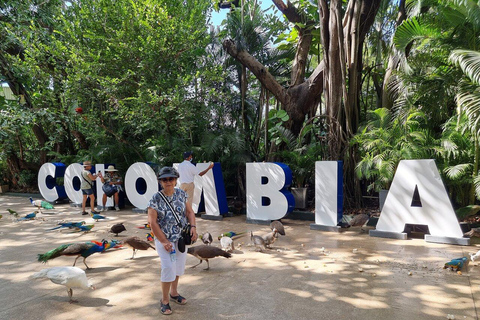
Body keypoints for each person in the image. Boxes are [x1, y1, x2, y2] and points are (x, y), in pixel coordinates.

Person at [147, 166, 198, 315]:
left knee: (178, 267)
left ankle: (174, 293)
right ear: (160, 182)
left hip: (180, 238)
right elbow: (153, 222)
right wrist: (163, 241)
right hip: (164, 239)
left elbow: (189, 212)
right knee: (168, 267)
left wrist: (193, 226)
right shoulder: (155, 198)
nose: (168, 181)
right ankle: (164, 300)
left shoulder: (182, 194)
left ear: (176, 180)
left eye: (171, 179)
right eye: (165, 179)